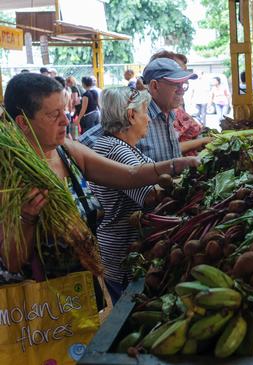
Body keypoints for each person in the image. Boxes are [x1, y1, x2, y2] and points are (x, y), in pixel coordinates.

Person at [0, 73, 200, 285]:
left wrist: (175, 165)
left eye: (64, 110)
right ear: (23, 122)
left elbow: (130, 175)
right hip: (47, 306)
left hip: (90, 290)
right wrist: (27, 218)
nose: (65, 120)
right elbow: (12, 262)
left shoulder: (67, 152)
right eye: (53, 115)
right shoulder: (10, 176)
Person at [90, 87, 165, 303]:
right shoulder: (116, 149)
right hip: (124, 252)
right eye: (145, 112)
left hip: (118, 247)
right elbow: (149, 195)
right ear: (131, 116)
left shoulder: (120, 145)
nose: (149, 119)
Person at [79, 58, 207, 162]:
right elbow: (83, 144)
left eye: (183, 85)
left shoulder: (170, 113)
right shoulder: (134, 114)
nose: (181, 91)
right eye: (176, 85)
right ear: (155, 86)